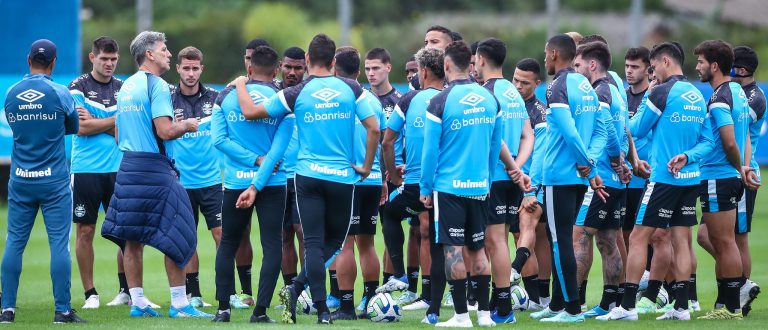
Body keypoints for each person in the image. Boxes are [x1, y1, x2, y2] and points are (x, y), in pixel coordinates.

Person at [233, 33, 381, 324]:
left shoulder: (297, 92)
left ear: (309, 60)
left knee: (312, 244)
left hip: (307, 176)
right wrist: (365, 166)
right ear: (334, 61)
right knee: (335, 244)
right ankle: (309, 297)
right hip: (342, 177)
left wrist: (240, 83)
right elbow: (374, 129)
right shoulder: (352, 88)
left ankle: (317, 307)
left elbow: (250, 112)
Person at [598, 41, 714, 322]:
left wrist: (645, 98)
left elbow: (636, 128)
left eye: (652, 68)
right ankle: (683, 307)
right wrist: (687, 155)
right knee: (681, 240)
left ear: (664, 61)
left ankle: (627, 307)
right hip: (689, 179)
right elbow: (708, 141)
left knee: (638, 237)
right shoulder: (697, 95)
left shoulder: (661, 92)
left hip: (662, 179)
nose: (652, 75)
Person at [100, 30, 211, 318]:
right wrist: (187, 125)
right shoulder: (158, 85)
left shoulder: (125, 87)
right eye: (164, 49)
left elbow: (117, 134)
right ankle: (179, 304)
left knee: (132, 240)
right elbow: (164, 130)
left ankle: (138, 303)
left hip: (128, 167)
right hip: (155, 169)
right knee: (179, 232)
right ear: (149, 54)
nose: (168, 54)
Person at [419, 40, 503, 328]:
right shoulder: (491, 99)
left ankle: (460, 317)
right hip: (480, 186)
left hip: (449, 187)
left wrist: (425, 187)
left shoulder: (439, 101)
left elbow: (429, 151)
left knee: (453, 250)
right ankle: (484, 315)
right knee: (478, 250)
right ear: (470, 64)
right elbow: (495, 147)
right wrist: (488, 179)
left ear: (445, 66)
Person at [0, 39, 84, 323]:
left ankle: (7, 310)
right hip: (54, 182)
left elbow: (14, 125)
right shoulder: (59, 92)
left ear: (28, 60)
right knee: (59, 245)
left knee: (14, 243)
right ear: (54, 62)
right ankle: (62, 311)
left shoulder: (11, 93)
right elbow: (73, 127)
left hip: (21, 178)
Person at [211, 45, 294, 323]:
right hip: (272, 183)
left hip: (236, 182)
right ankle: (260, 312)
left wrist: (251, 161)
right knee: (272, 245)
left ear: (249, 68)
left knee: (228, 244)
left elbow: (219, 141)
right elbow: (277, 153)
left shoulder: (225, 97)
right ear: (276, 70)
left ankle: (223, 309)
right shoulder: (283, 101)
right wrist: (260, 168)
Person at [529, 34, 606, 323]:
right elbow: (600, 129)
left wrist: (586, 162)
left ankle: (572, 310)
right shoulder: (585, 84)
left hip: (559, 175)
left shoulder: (557, 86)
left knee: (560, 241)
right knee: (558, 239)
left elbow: (569, 131)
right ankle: (559, 304)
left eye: (546, 54)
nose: (545, 58)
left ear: (552, 54)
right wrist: (590, 167)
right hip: (577, 176)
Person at [68, 36, 148, 310]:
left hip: (120, 169)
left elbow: (125, 130)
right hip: (86, 169)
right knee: (86, 230)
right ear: (92, 58)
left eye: (113, 59)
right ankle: (91, 293)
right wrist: (115, 119)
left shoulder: (124, 88)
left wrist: (97, 122)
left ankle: (127, 290)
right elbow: (81, 128)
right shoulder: (77, 87)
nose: (109, 64)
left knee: (128, 232)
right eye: (104, 59)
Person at [694, 39, 756, 320]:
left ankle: (731, 307)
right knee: (720, 241)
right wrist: (743, 167)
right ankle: (723, 304)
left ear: (714, 65)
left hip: (719, 176)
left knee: (724, 242)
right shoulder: (737, 91)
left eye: (701, 62)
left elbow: (730, 142)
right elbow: (743, 139)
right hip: (726, 175)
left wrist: (738, 168)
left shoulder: (720, 97)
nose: (697, 67)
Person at [381, 47, 444, 319]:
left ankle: (400, 275)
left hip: (416, 185)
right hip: (448, 185)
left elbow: (387, 140)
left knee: (388, 212)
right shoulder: (450, 98)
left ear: (424, 71)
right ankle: (441, 300)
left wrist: (395, 176)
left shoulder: (409, 99)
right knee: (441, 238)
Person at [475, 37, 534, 324]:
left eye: (475, 59)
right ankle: (498, 305)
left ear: (481, 59)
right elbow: (528, 135)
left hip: (494, 178)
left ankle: (502, 308)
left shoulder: (485, 94)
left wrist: (511, 166)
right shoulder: (513, 91)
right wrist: (519, 168)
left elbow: (494, 137)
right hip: (510, 179)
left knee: (495, 242)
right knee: (498, 242)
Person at [571, 41, 628, 318]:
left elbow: (607, 130)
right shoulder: (616, 91)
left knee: (580, 235)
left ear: (592, 65)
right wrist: (623, 161)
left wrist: (617, 159)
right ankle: (609, 304)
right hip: (614, 179)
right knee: (607, 242)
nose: (576, 70)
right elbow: (623, 128)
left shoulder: (600, 92)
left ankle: (571, 306)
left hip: (602, 178)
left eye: (578, 65)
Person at [170, 46, 220, 309]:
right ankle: (194, 293)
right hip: (180, 182)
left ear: (202, 68)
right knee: (188, 240)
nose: (190, 73)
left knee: (222, 235)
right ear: (177, 68)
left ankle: (227, 291)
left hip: (212, 181)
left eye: (195, 68)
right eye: (186, 68)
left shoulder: (216, 97)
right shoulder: (166, 98)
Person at [513, 58, 551, 310]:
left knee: (529, 231)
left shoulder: (539, 111)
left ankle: (531, 291)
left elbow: (542, 152)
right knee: (535, 235)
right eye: (515, 80)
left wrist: (533, 187)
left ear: (537, 84)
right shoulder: (507, 104)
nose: (517, 86)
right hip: (510, 180)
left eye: (524, 83)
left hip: (530, 183)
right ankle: (539, 298)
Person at [279, 46, 307, 292]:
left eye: (298, 67)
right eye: (288, 66)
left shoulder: (309, 94)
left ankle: (304, 288)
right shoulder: (271, 94)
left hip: (303, 174)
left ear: (305, 68)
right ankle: (290, 288)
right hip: (277, 176)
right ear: (280, 65)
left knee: (303, 232)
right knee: (284, 235)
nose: (292, 72)